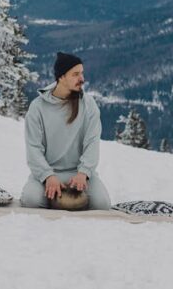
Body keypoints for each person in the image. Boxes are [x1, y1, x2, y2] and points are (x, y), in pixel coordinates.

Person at [20, 52, 112, 210]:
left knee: (101, 204)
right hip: (47, 174)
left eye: (82, 73)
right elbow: (33, 148)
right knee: (31, 201)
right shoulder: (38, 107)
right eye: (75, 74)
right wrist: (47, 176)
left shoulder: (88, 105)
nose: (82, 79)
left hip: (79, 174)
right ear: (61, 77)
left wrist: (84, 173)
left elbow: (92, 143)